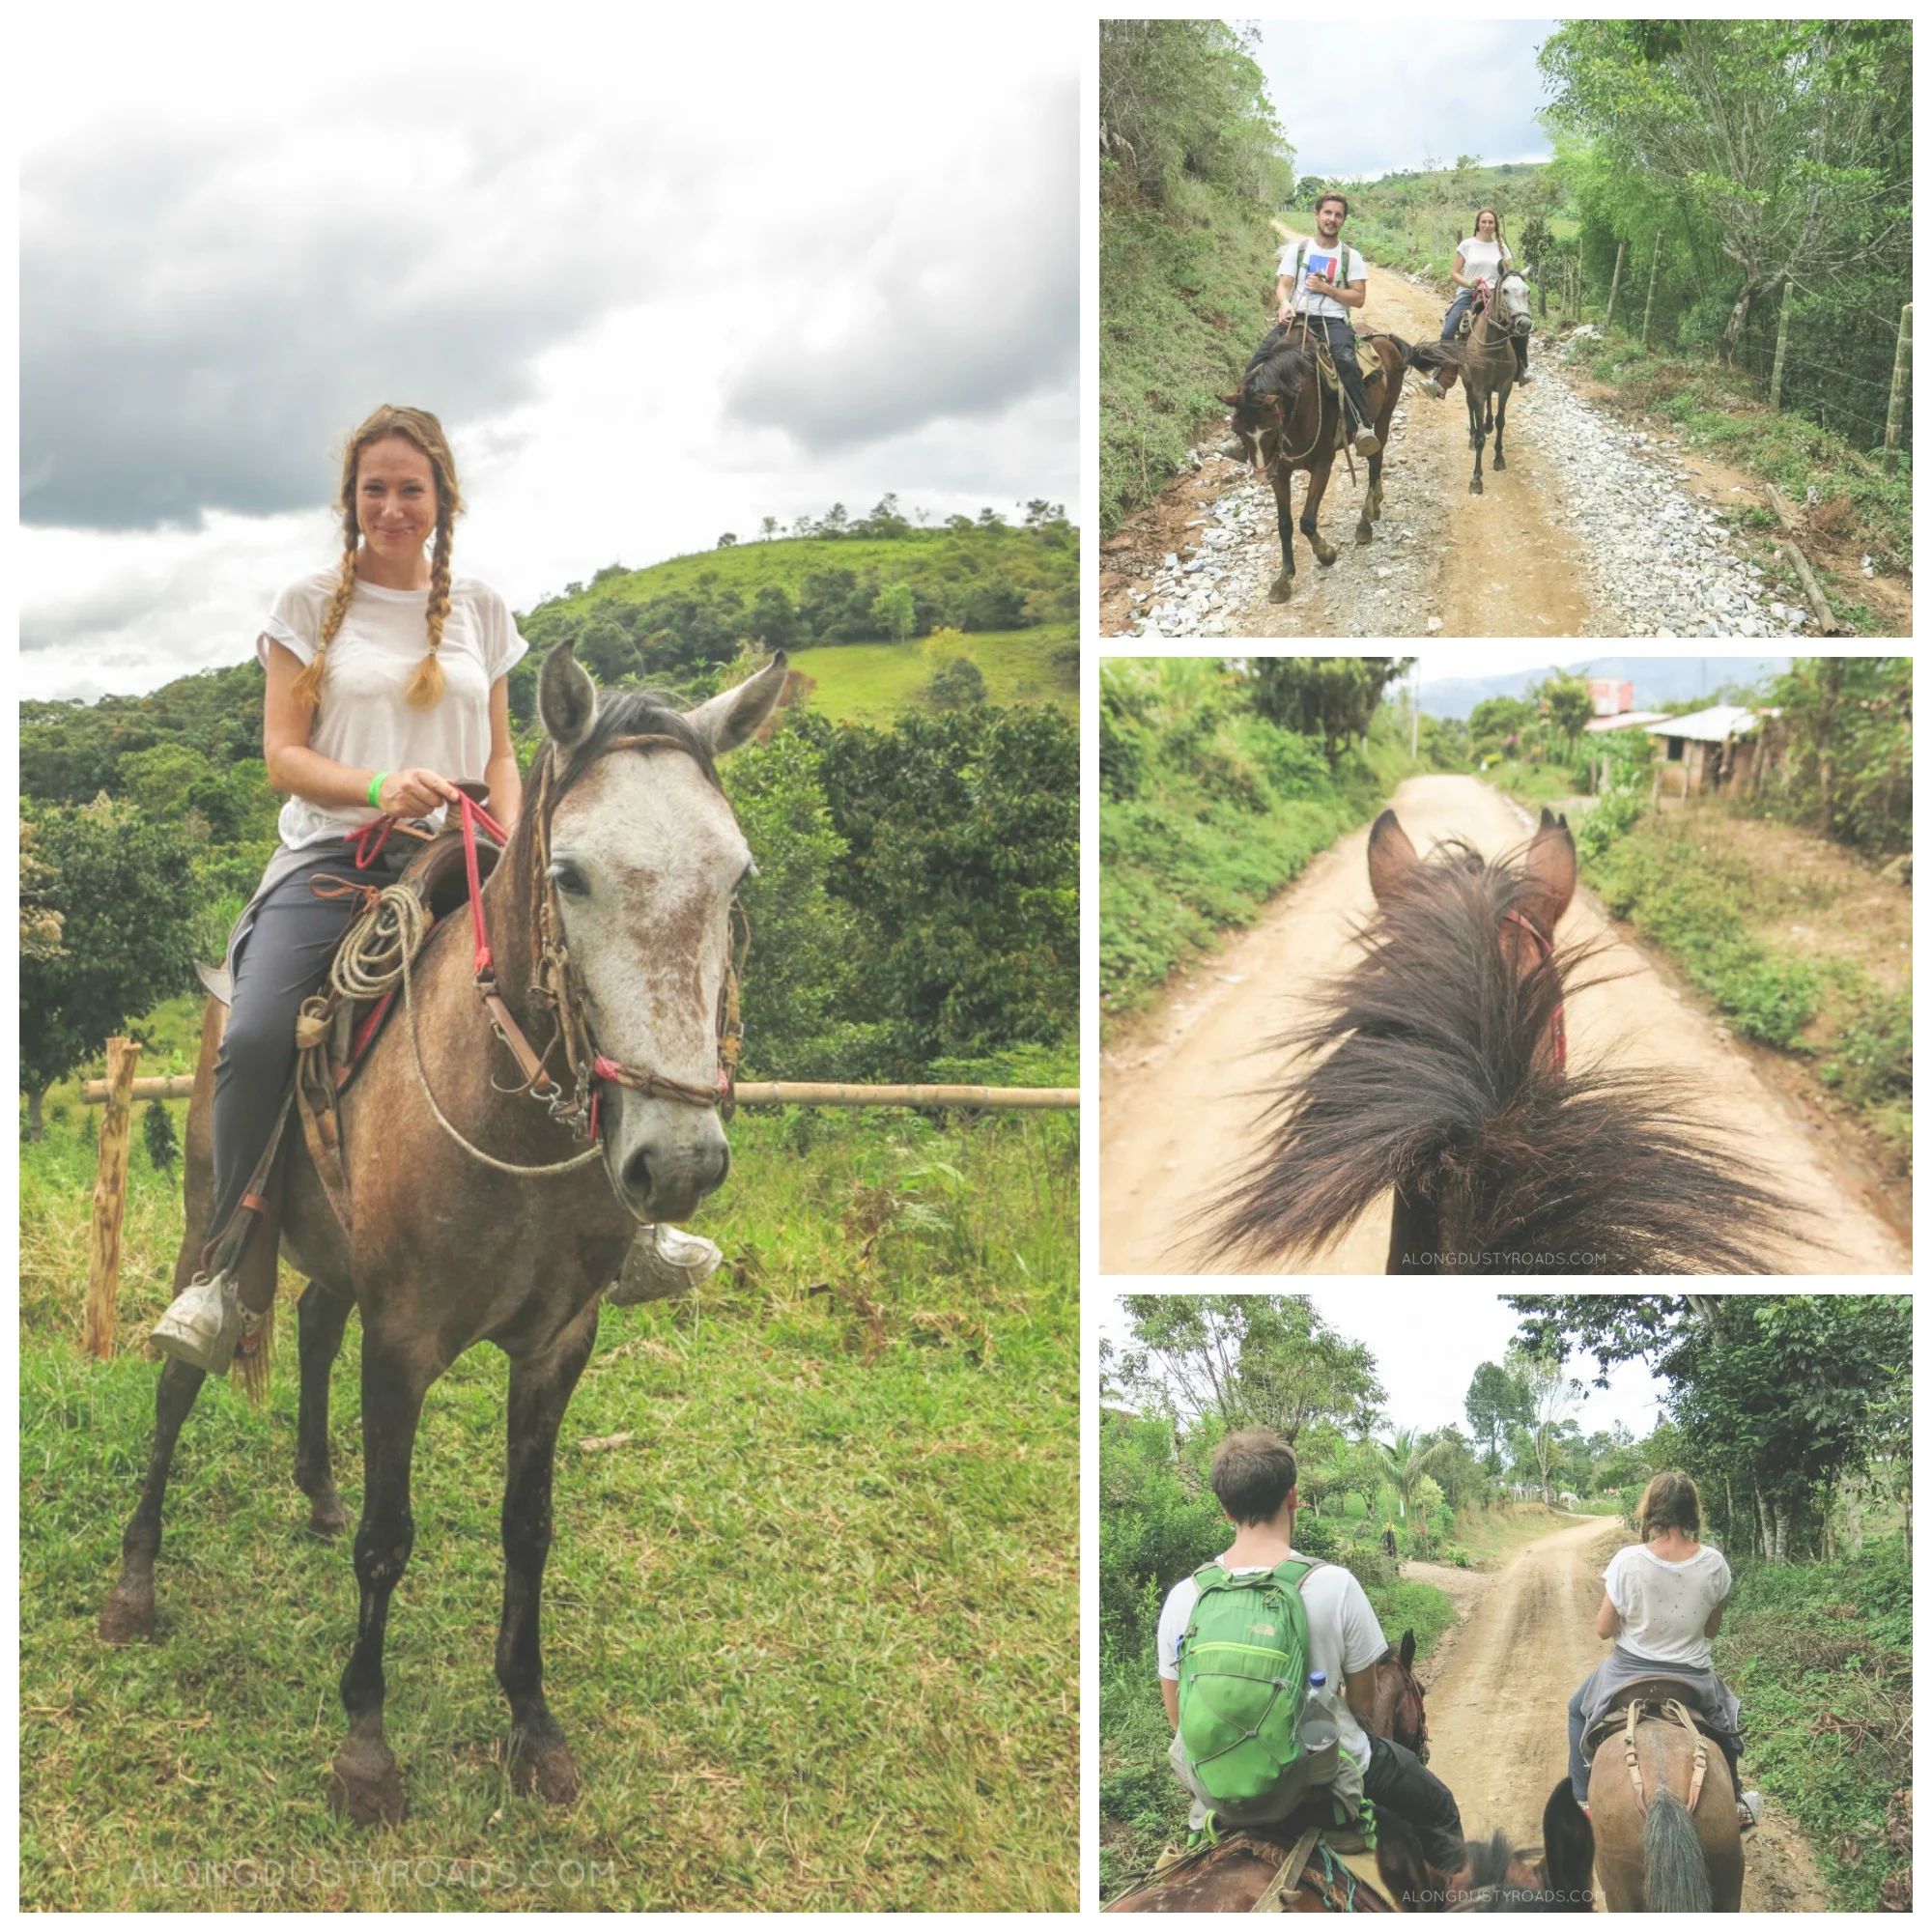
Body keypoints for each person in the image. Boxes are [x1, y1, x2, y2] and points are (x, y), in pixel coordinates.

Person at [151, 405, 715, 1374]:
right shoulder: (304, 604)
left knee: (578, 988)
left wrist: (509, 841)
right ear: (351, 499)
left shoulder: (483, 610)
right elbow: (282, 755)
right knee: (251, 1033)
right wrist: (377, 785)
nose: (393, 504)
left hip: (467, 849)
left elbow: (501, 750)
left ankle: (636, 1226)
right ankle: (221, 1267)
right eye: (375, 487)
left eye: (411, 487)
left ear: (442, 499)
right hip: (335, 856)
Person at [1156, 1428, 1465, 1873]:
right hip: (1327, 1773)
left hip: (1219, 1790)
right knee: (1440, 1809)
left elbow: (1177, 1719)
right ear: (1294, 1497)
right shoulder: (1334, 1584)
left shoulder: (1184, 1597)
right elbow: (1362, 1703)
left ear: (1225, 1509)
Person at [1565, 1471, 1761, 1830]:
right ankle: (1735, 1798)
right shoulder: (1715, 1563)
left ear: (1652, 1511)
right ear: (1691, 1512)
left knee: (1577, 1710)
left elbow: (1603, 1629)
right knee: (1724, 1722)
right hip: (1692, 1678)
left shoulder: (1628, 1560)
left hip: (1627, 1673)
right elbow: (1712, 1629)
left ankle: (1581, 1798)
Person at [1275, 193, 1382, 456]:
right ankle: (1246, 426)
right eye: (1327, 213)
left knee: (1346, 360)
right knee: (1263, 359)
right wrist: (1285, 304)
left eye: (1338, 215)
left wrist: (1327, 289)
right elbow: (1283, 287)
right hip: (1298, 317)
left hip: (1333, 320)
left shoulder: (1350, 256)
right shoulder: (1297, 250)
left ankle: (1362, 425)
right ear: (1316, 214)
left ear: (1343, 220)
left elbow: (1358, 298)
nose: (1332, 219)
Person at [1439, 208, 1532, 384]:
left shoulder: (1502, 248)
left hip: (1496, 296)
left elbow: (1507, 276)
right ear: (1477, 224)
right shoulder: (1467, 245)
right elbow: (1453, 273)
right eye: (1484, 222)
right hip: (1469, 293)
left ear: (1495, 225)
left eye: (1491, 222)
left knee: (1520, 325)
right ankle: (1443, 376)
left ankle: (1521, 368)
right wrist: (1469, 283)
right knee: (1449, 330)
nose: (1487, 225)